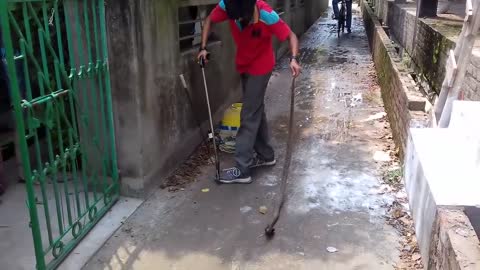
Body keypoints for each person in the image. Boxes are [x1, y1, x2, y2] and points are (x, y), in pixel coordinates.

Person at [197, 0, 301, 184]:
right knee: (255, 109)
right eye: (235, 19)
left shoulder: (266, 14)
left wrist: (293, 59)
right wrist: (203, 48)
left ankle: (242, 169)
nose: (239, 21)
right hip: (244, 64)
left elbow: (291, 36)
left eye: (243, 19)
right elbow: (209, 20)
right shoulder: (227, 5)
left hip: (261, 67)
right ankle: (266, 155)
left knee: (248, 115)